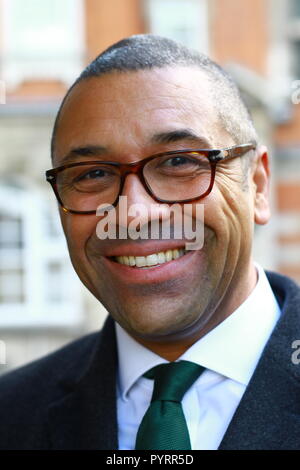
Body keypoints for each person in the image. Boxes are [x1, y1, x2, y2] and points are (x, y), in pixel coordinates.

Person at [0, 34, 299, 451]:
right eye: (93, 174)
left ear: (258, 185)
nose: (134, 213)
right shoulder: (11, 415)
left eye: (178, 162)